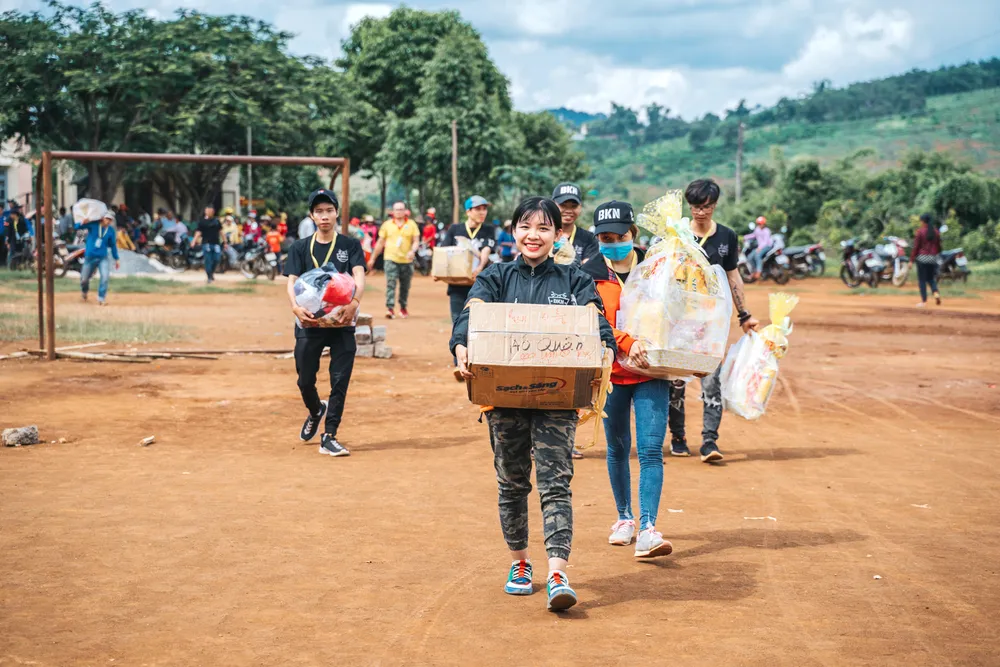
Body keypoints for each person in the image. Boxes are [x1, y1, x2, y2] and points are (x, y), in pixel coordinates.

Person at [450, 196, 617, 612]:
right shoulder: (495, 277)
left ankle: (558, 570)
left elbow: (599, 326)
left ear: (558, 235)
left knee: (555, 482)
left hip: (557, 401)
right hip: (503, 402)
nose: (534, 235)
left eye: (544, 228)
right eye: (526, 226)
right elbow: (470, 317)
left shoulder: (575, 281)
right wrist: (461, 347)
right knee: (511, 483)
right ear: (514, 231)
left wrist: (604, 354)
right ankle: (520, 563)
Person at [583, 200, 674, 558]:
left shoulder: (656, 268)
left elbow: (676, 309)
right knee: (617, 448)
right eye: (604, 237)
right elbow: (594, 322)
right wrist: (627, 342)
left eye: (618, 236)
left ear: (632, 233)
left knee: (651, 449)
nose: (611, 242)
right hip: (611, 373)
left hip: (652, 370)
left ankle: (649, 528)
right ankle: (624, 518)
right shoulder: (587, 274)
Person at [668, 179, 759, 463]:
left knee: (711, 381)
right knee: (676, 383)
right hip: (679, 323)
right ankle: (678, 436)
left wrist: (744, 315)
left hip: (711, 325)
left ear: (715, 205)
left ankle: (709, 441)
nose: (700, 212)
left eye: (706, 206)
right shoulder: (677, 234)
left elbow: (733, 276)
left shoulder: (727, 237)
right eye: (695, 206)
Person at [283, 189, 366, 458]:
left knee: (340, 380)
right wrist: (295, 307)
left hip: (342, 322)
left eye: (329, 211)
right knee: (305, 379)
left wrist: (354, 303)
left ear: (336, 213)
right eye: (319, 211)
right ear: (312, 215)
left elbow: (359, 276)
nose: (324, 216)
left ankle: (329, 435)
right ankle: (315, 410)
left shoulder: (349, 245)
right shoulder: (299, 247)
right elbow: (292, 281)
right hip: (309, 323)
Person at [440, 195, 497, 380]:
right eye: (478, 209)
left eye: (484, 209)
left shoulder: (488, 229)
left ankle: (479, 359)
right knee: (458, 320)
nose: (482, 212)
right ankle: (459, 363)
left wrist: (480, 267)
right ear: (468, 211)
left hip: (482, 285)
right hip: (457, 285)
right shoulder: (455, 229)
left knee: (482, 322)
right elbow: (444, 252)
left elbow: (488, 250)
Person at [367, 201, 420, 319]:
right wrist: (372, 258)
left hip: (406, 260)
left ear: (405, 211)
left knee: (405, 285)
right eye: (397, 209)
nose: (399, 211)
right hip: (391, 258)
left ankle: (403, 307)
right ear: (393, 212)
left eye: (401, 209)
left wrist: (413, 250)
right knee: (390, 284)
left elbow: (416, 240)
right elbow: (380, 242)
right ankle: (390, 308)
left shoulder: (411, 224)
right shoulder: (387, 225)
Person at [551, 182, 601, 267]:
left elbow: (588, 270)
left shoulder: (589, 238)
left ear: (580, 207)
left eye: (574, 206)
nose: (569, 210)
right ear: (552, 205)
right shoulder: (544, 235)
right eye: (563, 205)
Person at [77, 211, 120, 305]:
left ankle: (101, 298)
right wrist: (83, 222)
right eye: (107, 219)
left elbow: (113, 245)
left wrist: (116, 258)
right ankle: (84, 291)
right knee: (84, 279)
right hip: (90, 257)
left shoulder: (111, 231)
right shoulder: (93, 225)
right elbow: (77, 227)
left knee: (105, 277)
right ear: (102, 218)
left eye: (110, 220)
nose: (108, 221)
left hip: (102, 258)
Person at [911, 213, 942, 308]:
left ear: (923, 221)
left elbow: (916, 247)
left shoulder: (920, 232)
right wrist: (936, 254)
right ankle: (936, 292)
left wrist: (911, 260)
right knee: (931, 279)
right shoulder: (936, 232)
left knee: (922, 280)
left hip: (922, 258)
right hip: (932, 258)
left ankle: (924, 301)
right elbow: (939, 246)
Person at [192, 206, 222, 284]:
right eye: (207, 211)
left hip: (216, 244)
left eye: (210, 211)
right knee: (208, 260)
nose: (209, 212)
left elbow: (221, 231)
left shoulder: (217, 221)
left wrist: (225, 242)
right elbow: (198, 232)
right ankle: (209, 277)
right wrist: (194, 241)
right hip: (206, 244)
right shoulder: (202, 222)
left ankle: (211, 272)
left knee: (216, 259)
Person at [745, 215, 772, 280]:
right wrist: (745, 237)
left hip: (767, 246)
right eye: (758, 223)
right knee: (750, 257)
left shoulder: (767, 230)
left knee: (757, 256)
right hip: (760, 247)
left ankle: (759, 271)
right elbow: (754, 235)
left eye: (760, 223)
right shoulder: (757, 229)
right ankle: (754, 271)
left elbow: (765, 242)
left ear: (764, 224)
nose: (759, 225)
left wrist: (759, 248)